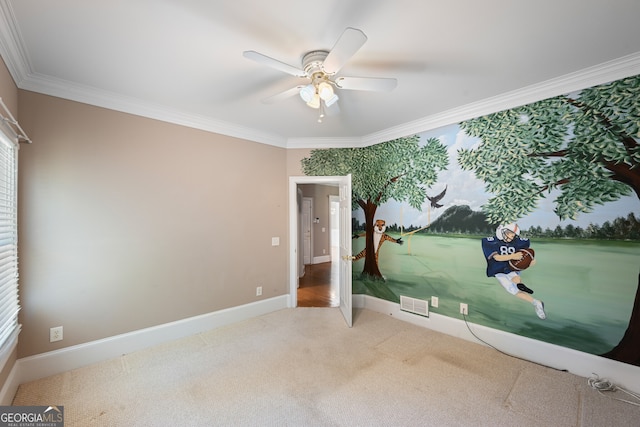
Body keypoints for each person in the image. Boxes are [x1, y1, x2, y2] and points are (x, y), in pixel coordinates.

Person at [481, 223, 546, 319]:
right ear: (502, 231)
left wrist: (529, 262)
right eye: (510, 233)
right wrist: (512, 256)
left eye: (513, 235)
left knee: (514, 277)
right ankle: (536, 302)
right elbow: (497, 258)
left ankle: (519, 283)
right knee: (512, 290)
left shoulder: (518, 242)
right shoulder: (491, 242)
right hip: (498, 269)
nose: (512, 236)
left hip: (511, 268)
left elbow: (522, 258)